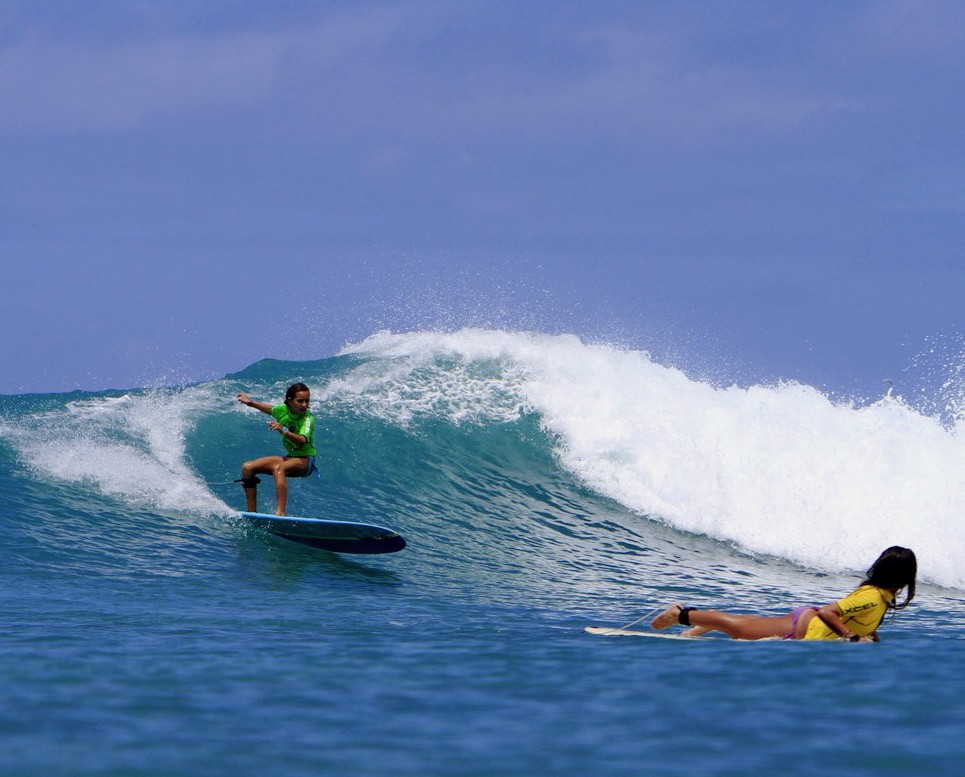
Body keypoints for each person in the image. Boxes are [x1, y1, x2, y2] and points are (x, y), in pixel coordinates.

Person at [651, 546, 917, 642]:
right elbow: (829, 612)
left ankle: (703, 626)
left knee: (749, 625)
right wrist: (851, 638)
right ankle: (681, 614)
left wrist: (871, 636)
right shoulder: (872, 596)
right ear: (904, 577)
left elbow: (861, 619)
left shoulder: (881, 597)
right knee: (740, 629)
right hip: (806, 626)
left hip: (806, 624)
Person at [236, 383, 317, 516]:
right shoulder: (283, 409)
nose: (304, 405)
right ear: (290, 401)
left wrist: (284, 431)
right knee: (248, 468)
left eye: (307, 401)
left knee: (279, 468)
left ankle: (280, 513)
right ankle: (251, 512)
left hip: (305, 461)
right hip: (290, 457)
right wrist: (250, 403)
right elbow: (271, 410)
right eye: (300, 401)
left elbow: (302, 440)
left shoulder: (308, 418)